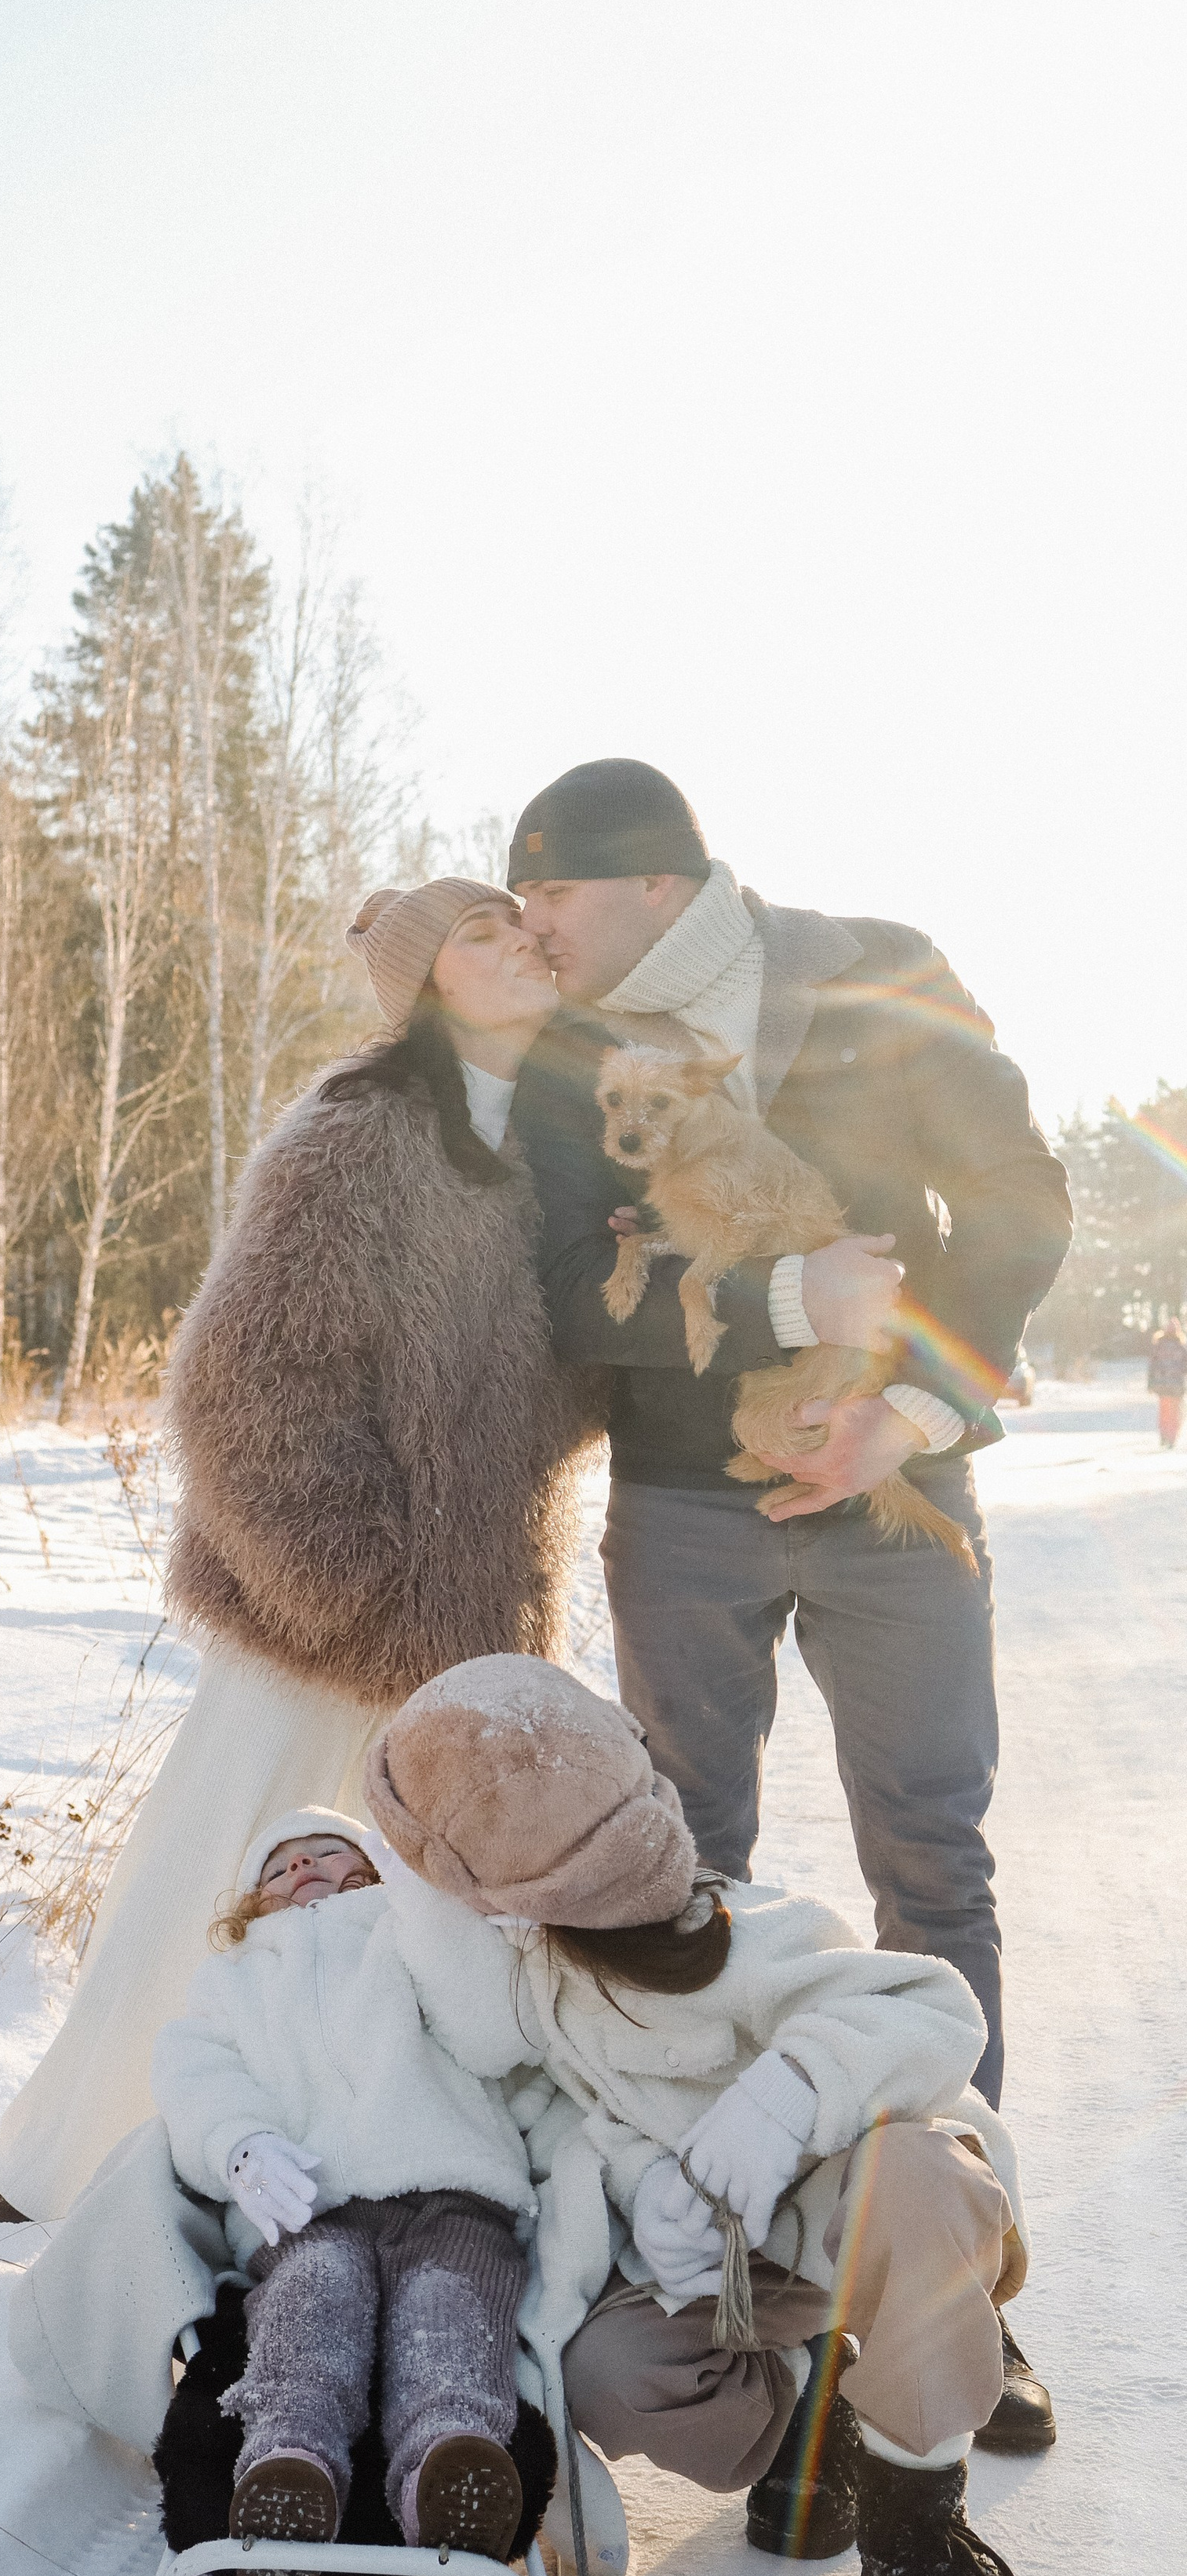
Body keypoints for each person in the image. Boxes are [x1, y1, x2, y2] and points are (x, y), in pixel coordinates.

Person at [0, 880, 595, 2224]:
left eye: (521, 923)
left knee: (419, 1923)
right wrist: (347, 1585)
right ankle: (52, 2171)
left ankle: (355, 2175)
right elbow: (242, 1376)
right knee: (217, 1879)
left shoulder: (547, 1151)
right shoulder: (357, 1131)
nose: (521, 944)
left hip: (468, 1623)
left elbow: (539, 1399)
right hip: (324, 1617)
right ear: (426, 986)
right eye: (481, 934)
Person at [507, 760, 1072, 2134]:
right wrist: (787, 1298)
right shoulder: (568, 1054)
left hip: (901, 1478)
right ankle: (689, 2199)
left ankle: (950, 2208)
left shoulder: (881, 971)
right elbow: (569, 1285)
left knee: (935, 1861)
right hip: (683, 1507)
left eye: (554, 891)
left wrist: (916, 1412)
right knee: (680, 1863)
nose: (534, 925)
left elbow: (1018, 1196)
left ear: (659, 880)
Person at [371, 1656, 1040, 2576]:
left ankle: (916, 2529)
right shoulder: (538, 1973)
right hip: (734, 2268)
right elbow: (558, 2094)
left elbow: (933, 2009)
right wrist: (649, 2187)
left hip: (861, 2227)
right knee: (608, 2369)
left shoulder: (736, 1932)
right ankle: (813, 2410)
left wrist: (784, 2099)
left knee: (918, 2175)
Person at [150, 1809, 543, 2576]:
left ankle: (450, 2472)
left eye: (328, 1852)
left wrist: (425, 1907)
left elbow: (493, 2032)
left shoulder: (409, 1934)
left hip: (449, 2188)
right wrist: (239, 2143)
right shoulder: (231, 1980)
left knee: (446, 2307)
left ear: (373, 1867)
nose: (302, 1868)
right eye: (279, 1867)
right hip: (307, 2206)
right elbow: (194, 2072)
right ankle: (288, 2467)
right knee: (312, 2296)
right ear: (253, 1903)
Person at [1149, 1316, 1186, 1449]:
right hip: (1174, 1386)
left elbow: (1153, 1365)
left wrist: (1151, 1383)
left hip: (1165, 1385)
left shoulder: (1160, 1345)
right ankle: (1170, 1437)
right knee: (1173, 1412)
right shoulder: (1180, 1346)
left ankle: (1166, 1436)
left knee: (1166, 1412)